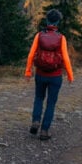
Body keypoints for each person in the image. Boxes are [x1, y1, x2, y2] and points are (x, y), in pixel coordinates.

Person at [24, 8, 74, 141]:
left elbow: (31, 55)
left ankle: (35, 121)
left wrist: (28, 71)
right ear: (58, 21)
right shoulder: (61, 38)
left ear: (47, 20)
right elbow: (66, 58)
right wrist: (70, 74)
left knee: (39, 98)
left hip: (40, 74)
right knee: (51, 103)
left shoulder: (39, 35)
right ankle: (44, 131)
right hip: (55, 76)